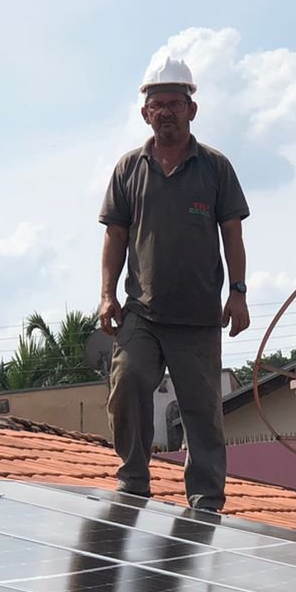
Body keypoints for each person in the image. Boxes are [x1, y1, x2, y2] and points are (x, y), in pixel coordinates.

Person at [99, 55, 250, 514]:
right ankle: (133, 482)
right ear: (145, 113)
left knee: (201, 410)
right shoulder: (129, 169)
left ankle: (206, 498)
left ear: (191, 109)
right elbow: (115, 236)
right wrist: (107, 294)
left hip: (200, 316)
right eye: (157, 104)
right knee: (129, 380)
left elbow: (233, 235)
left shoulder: (215, 167)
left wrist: (238, 293)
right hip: (142, 311)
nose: (165, 112)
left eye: (174, 103)